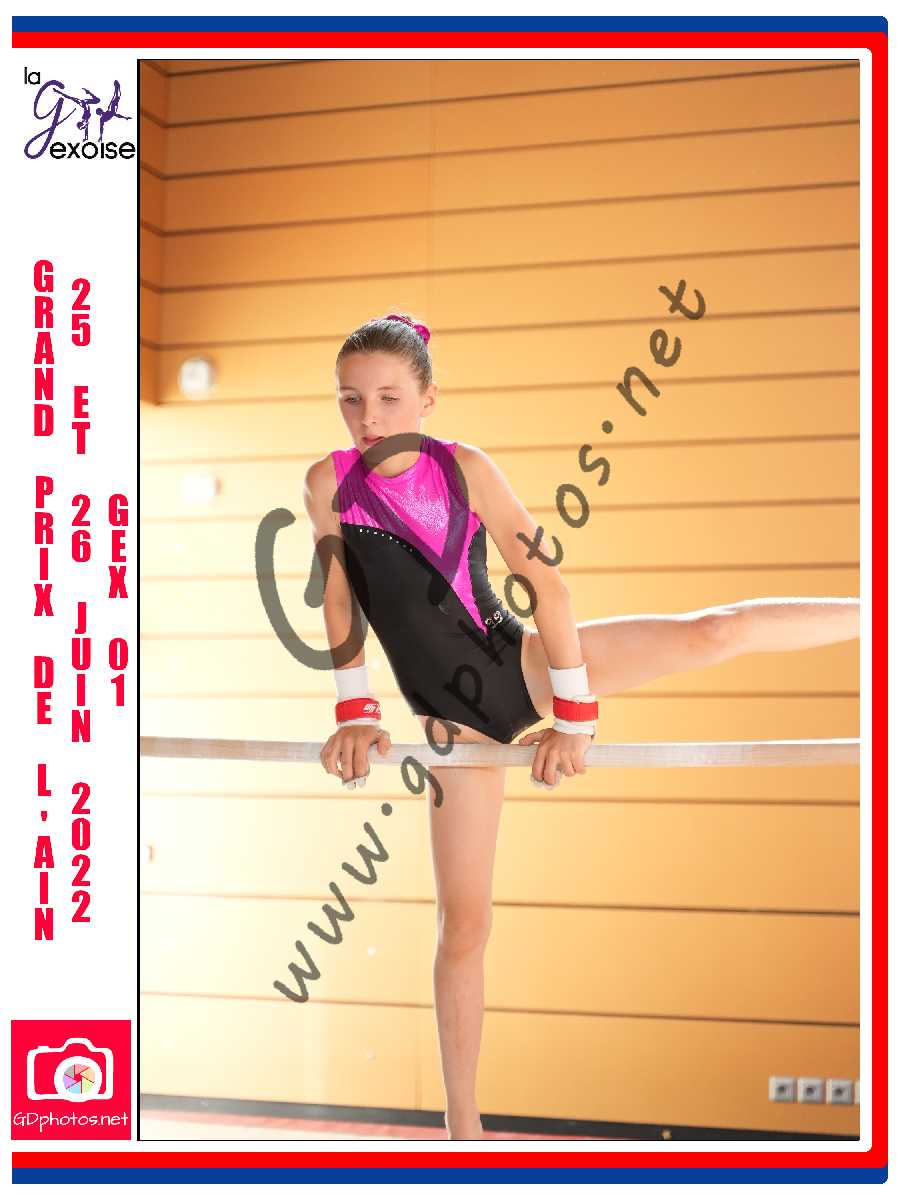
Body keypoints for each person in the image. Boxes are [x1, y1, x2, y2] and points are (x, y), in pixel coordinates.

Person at [302, 313, 860, 1141]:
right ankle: (465, 1135)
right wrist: (356, 712)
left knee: (713, 632)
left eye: (388, 397)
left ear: (427, 398)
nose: (368, 416)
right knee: (465, 927)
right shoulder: (328, 482)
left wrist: (576, 718)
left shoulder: (465, 467)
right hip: (453, 727)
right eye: (351, 399)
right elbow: (340, 600)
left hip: (524, 666)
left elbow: (548, 588)